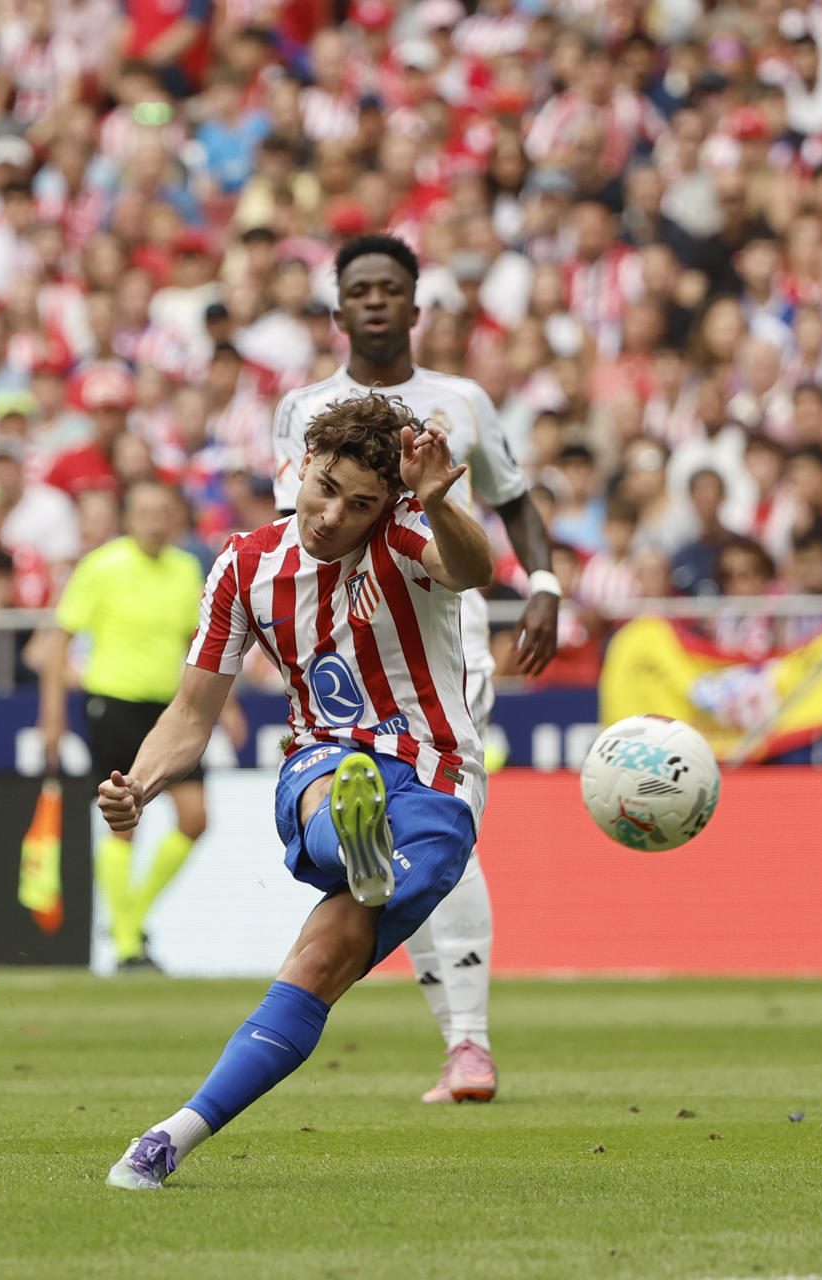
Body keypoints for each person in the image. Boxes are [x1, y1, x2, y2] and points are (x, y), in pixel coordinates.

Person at [105, 392, 494, 1190]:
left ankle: (170, 1137)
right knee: (334, 794)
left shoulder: (410, 532)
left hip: (435, 772)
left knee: (320, 964)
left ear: (385, 504)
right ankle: (354, 843)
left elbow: (473, 569)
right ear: (301, 467)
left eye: (359, 504)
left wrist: (437, 499)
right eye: (324, 487)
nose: (331, 515)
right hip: (322, 755)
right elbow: (191, 711)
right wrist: (139, 786)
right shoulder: (246, 564)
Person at [268, 235, 562, 1104]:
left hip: (443, 647)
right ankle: (464, 1044)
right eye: (359, 289)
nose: (375, 301)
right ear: (337, 311)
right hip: (341, 656)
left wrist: (543, 582)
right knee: (417, 839)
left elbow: (511, 502)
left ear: (414, 306)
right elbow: (304, 525)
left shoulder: (461, 400)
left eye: (390, 288)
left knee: (441, 829)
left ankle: (467, 1044)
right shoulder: (304, 407)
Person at [36, 481, 213, 970]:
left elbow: (196, 644)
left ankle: (127, 918)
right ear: (129, 518)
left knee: (195, 819)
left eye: (164, 510)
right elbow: (59, 641)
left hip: (171, 712)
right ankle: (130, 945)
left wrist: (227, 707)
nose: (156, 520)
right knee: (124, 824)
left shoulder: (186, 569)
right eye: (146, 511)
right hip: (113, 703)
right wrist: (51, 718)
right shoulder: (102, 566)